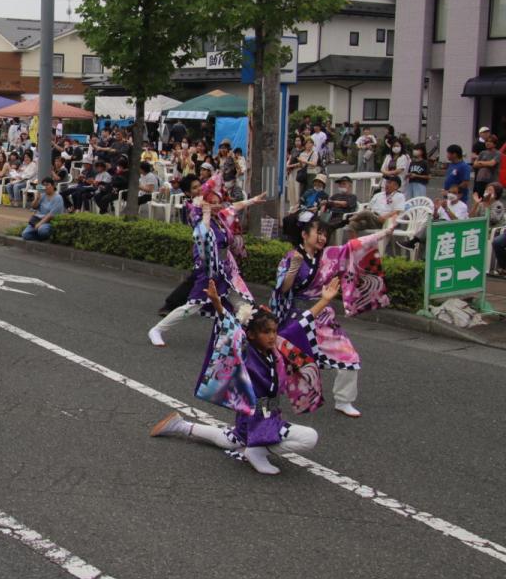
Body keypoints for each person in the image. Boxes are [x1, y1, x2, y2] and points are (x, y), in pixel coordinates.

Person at [149, 277, 331, 475]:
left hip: (262, 418)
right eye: (266, 332)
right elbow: (230, 327)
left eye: (274, 331)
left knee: (230, 439)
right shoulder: (246, 351)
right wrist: (218, 304)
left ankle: (182, 426)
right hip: (256, 419)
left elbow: (301, 324)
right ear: (251, 335)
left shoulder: (277, 348)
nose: (272, 336)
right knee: (309, 437)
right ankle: (256, 451)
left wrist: (325, 300)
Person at [273, 213, 395, 417]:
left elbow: (354, 246)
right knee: (280, 362)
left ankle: (343, 400)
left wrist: (384, 233)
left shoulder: (329, 255)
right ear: (304, 234)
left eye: (325, 234)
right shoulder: (292, 257)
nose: (322, 237)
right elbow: (283, 289)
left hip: (323, 317)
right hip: (297, 319)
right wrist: (293, 268)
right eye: (317, 233)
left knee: (349, 356)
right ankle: (264, 396)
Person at [147, 173, 266, 347]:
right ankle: (157, 330)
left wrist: (252, 201)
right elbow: (202, 233)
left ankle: (237, 337)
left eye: (199, 186)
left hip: (226, 269)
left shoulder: (216, 213)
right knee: (192, 306)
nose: (199, 190)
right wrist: (207, 213)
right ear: (188, 193)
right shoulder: (193, 211)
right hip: (208, 267)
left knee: (243, 304)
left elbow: (233, 207)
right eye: (194, 188)